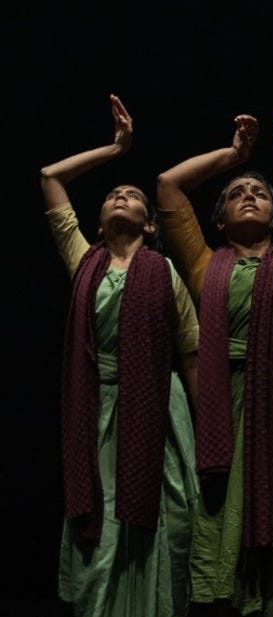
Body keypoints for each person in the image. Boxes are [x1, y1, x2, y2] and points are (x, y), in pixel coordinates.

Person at [156, 116, 273, 617]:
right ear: (219, 220)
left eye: (260, 190)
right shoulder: (203, 265)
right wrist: (233, 156)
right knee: (225, 515)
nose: (251, 194)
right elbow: (169, 186)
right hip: (224, 405)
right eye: (238, 192)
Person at [40, 94, 200, 617]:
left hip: (159, 409)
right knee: (102, 525)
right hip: (99, 408)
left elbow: (191, 350)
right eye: (112, 194)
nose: (120, 197)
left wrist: (207, 427)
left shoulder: (163, 272)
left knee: (171, 513)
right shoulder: (84, 262)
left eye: (132, 195)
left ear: (150, 225)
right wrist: (114, 149)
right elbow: (50, 178)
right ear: (101, 218)